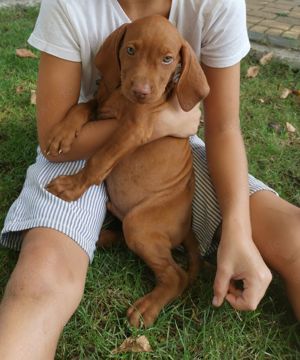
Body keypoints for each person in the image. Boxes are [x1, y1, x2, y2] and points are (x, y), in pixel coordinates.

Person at [0, 0, 299, 358]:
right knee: (41, 280)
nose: (143, 83)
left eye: (165, 61)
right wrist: (161, 123)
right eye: (132, 53)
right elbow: (55, 142)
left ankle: (163, 268)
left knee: (293, 236)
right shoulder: (69, 6)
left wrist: (239, 228)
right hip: (78, 153)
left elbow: (223, 127)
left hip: (167, 164)